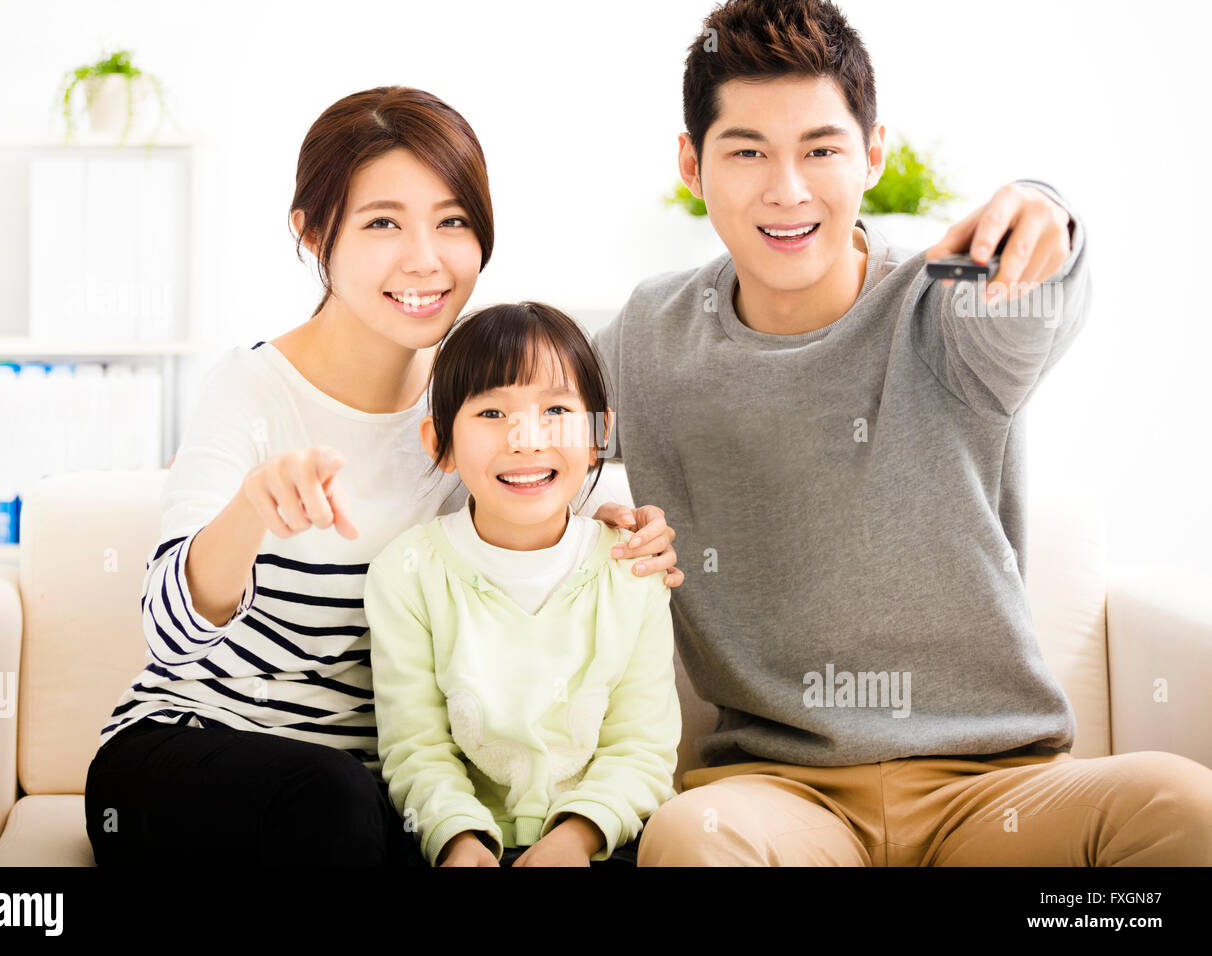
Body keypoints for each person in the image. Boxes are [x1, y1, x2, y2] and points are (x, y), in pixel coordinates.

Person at [594, 0, 1212, 865]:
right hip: (783, 796)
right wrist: (587, 530)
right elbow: (514, 428)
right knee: (691, 840)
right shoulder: (651, 335)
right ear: (693, 165)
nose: (788, 189)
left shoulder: (943, 301)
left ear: (873, 153)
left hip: (997, 788)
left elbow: (1034, 302)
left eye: (821, 149)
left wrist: (1049, 216)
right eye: (746, 153)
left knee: (1187, 805)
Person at [82, 87, 682, 868]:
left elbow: (575, 500)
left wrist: (635, 530)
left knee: (382, 817)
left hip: (374, 796)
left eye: (453, 221)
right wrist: (249, 511)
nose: (424, 258)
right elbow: (167, 632)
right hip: (188, 756)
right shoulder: (252, 390)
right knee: (334, 803)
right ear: (313, 233)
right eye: (382, 223)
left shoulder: (477, 405)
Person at [364, 301, 680, 867]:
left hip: (605, 839)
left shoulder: (633, 568)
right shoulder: (408, 573)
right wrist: (459, 839)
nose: (527, 439)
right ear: (441, 443)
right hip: (457, 843)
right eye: (491, 413)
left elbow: (641, 748)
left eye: (556, 409)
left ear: (599, 432)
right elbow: (417, 749)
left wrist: (574, 838)